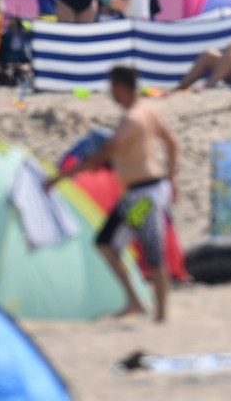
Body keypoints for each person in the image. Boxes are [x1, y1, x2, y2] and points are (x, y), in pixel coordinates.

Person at [47, 66, 178, 322]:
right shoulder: (149, 111)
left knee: (151, 251)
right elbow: (172, 144)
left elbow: (102, 155)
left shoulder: (132, 120)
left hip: (145, 196)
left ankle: (159, 315)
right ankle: (136, 301)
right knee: (106, 242)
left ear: (119, 87)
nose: (110, 94)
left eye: (111, 89)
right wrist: (173, 180)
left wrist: (60, 178)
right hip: (142, 193)